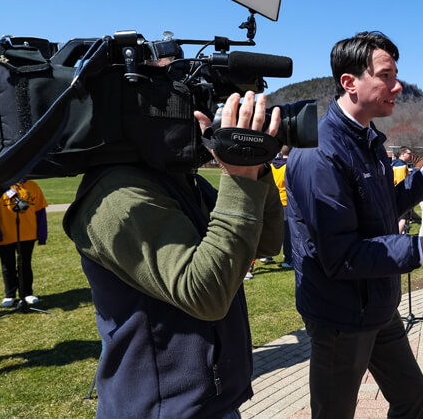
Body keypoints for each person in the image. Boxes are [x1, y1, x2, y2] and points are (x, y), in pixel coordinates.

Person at [286, 31, 423, 419]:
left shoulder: (368, 140)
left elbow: (382, 208)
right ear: (350, 82)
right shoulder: (319, 153)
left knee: (411, 395)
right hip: (340, 315)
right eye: (386, 75)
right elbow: (340, 256)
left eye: (396, 74)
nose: (397, 86)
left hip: (378, 307)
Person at [64, 91, 283, 418]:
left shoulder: (179, 180)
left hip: (213, 404)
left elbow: (266, 243)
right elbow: (205, 294)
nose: (200, 113)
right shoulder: (118, 195)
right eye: (179, 99)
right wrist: (239, 178)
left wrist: (256, 167)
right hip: (162, 409)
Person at [0, 180, 48, 307]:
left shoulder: (33, 186)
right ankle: (10, 295)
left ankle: (27, 293)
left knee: (25, 264)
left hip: (28, 234)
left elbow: (40, 212)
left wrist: (42, 235)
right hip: (4, 235)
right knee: (8, 266)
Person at [272, 145, 293, 268]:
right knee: (287, 233)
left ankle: (266, 255)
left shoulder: (272, 166)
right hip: (286, 202)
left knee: (272, 228)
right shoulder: (289, 166)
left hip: (274, 201)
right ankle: (288, 258)